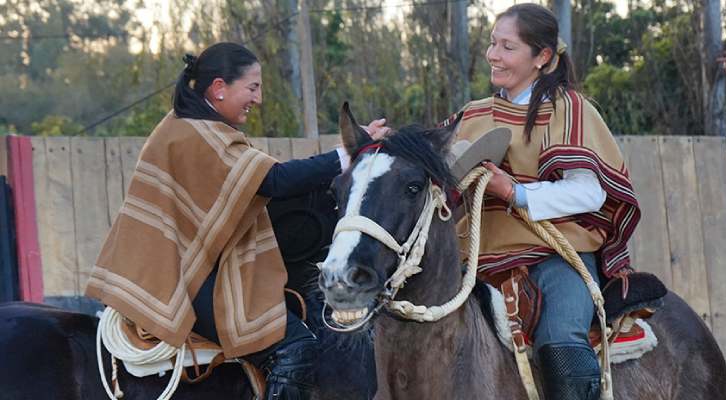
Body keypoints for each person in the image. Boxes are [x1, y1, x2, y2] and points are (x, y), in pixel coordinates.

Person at [85, 42, 387, 400]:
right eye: (253, 87)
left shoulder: (190, 127)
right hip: (181, 280)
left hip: (176, 271)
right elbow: (273, 181)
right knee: (295, 349)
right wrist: (350, 153)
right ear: (219, 88)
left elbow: (255, 185)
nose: (257, 99)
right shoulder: (196, 134)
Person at [446, 4, 641, 399]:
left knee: (560, 339)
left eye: (507, 46)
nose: (493, 55)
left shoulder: (571, 110)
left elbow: (591, 191)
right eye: (492, 43)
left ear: (543, 57)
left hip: (554, 251)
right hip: (474, 254)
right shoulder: (473, 114)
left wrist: (514, 192)